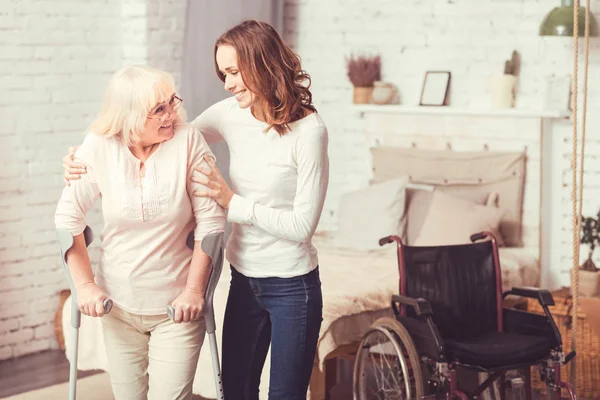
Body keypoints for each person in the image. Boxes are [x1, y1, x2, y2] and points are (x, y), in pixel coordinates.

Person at [62, 20, 329, 400]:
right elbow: (168, 136)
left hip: (292, 284)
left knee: (285, 394)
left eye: (235, 72)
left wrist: (232, 203)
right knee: (236, 391)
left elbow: (302, 226)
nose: (228, 84)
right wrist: (84, 159)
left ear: (263, 64)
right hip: (244, 278)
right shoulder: (231, 112)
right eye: (224, 74)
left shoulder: (310, 132)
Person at [55, 65, 226, 400]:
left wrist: (194, 291)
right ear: (129, 117)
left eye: (171, 103)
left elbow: (211, 222)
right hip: (117, 305)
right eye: (158, 110)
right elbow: (67, 219)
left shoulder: (188, 140)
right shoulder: (98, 147)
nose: (171, 115)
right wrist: (85, 286)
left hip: (176, 307)